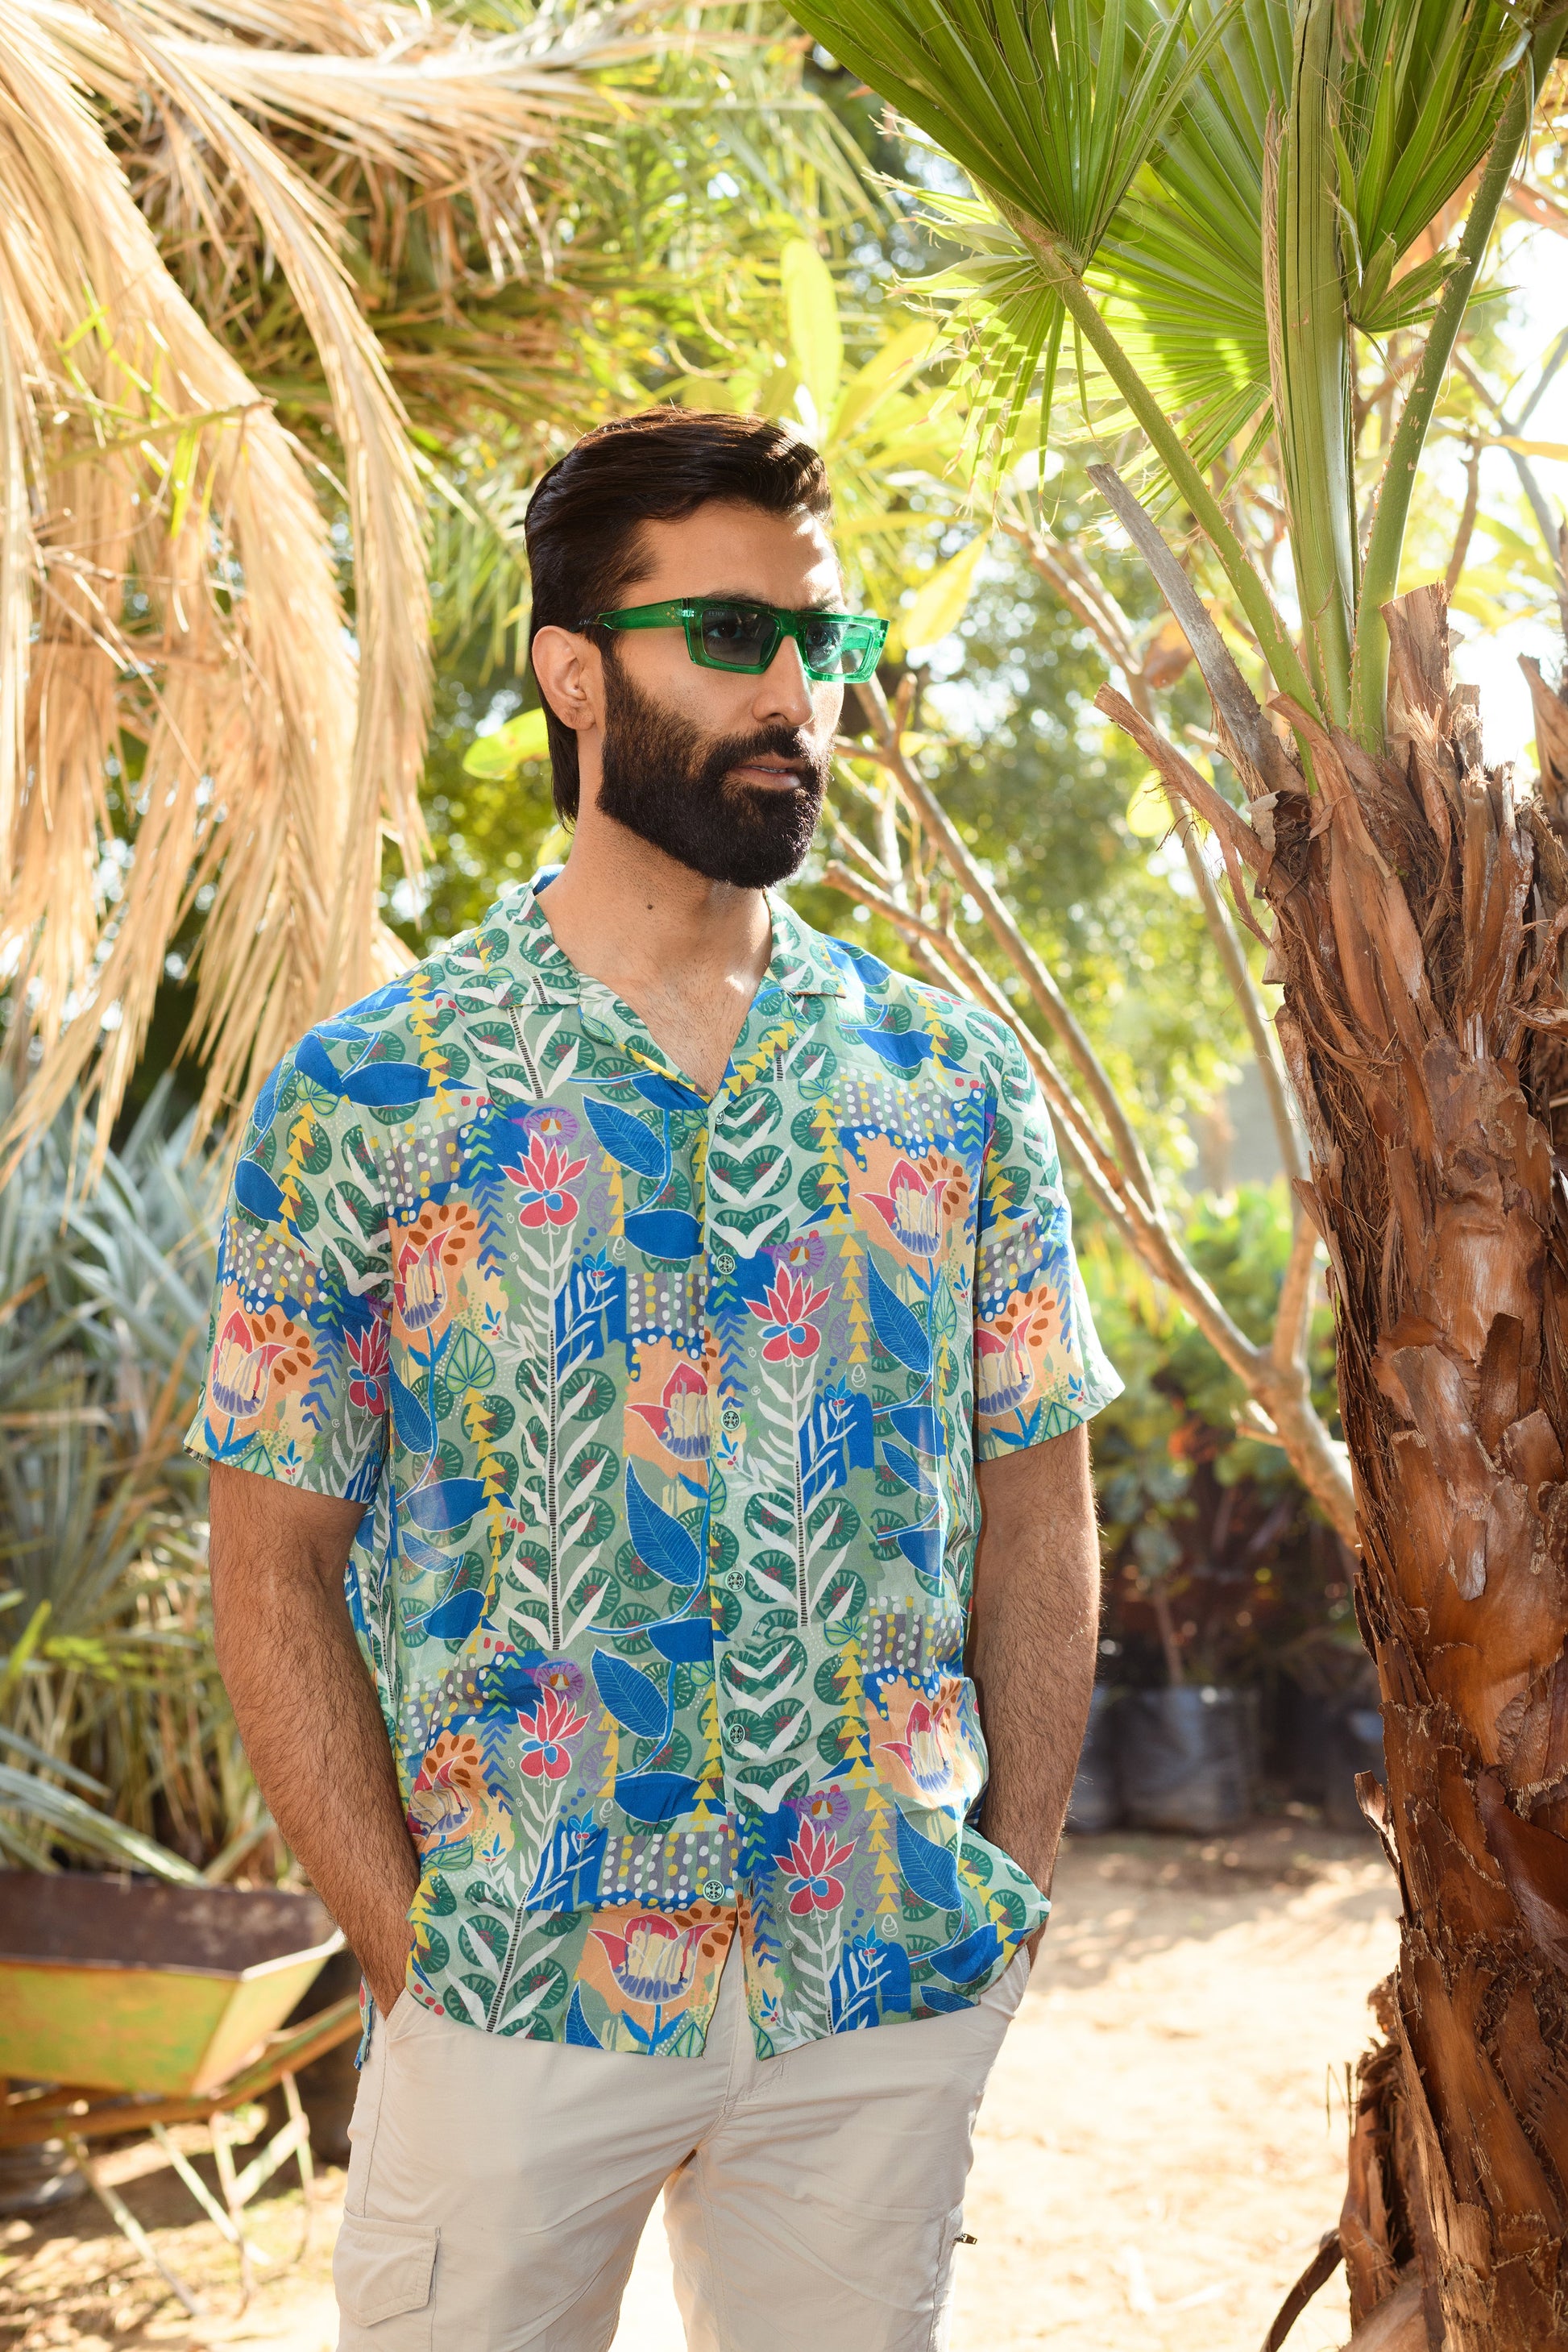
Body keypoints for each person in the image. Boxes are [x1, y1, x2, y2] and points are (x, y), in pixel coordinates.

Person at [191, 407, 1119, 2351]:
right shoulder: (370, 1092)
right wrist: (412, 1949)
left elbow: (1038, 1510)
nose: (798, 689)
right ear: (570, 672)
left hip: (874, 1992)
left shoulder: (949, 1090)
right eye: (730, 634)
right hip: (510, 1995)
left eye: (825, 640)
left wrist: (997, 1908)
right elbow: (270, 1563)